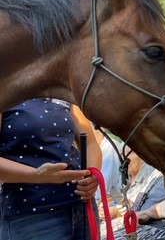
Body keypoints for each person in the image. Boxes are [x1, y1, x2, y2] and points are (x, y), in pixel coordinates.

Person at [0, 98, 102, 240]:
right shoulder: (6, 90)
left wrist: (92, 175)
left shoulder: (63, 93)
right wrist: (37, 175)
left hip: (82, 207)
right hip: (32, 217)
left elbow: (90, 143)